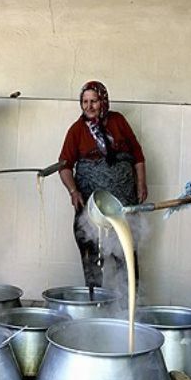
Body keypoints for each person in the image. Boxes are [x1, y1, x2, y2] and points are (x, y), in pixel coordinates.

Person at [58, 80, 148, 289]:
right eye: (84, 101)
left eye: (94, 101)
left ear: (103, 101)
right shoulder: (77, 130)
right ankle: (94, 302)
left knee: (126, 252)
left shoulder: (118, 121)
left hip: (123, 202)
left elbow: (137, 154)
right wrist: (73, 191)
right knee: (91, 254)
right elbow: (64, 166)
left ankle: (128, 304)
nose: (89, 106)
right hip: (92, 207)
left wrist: (141, 184)